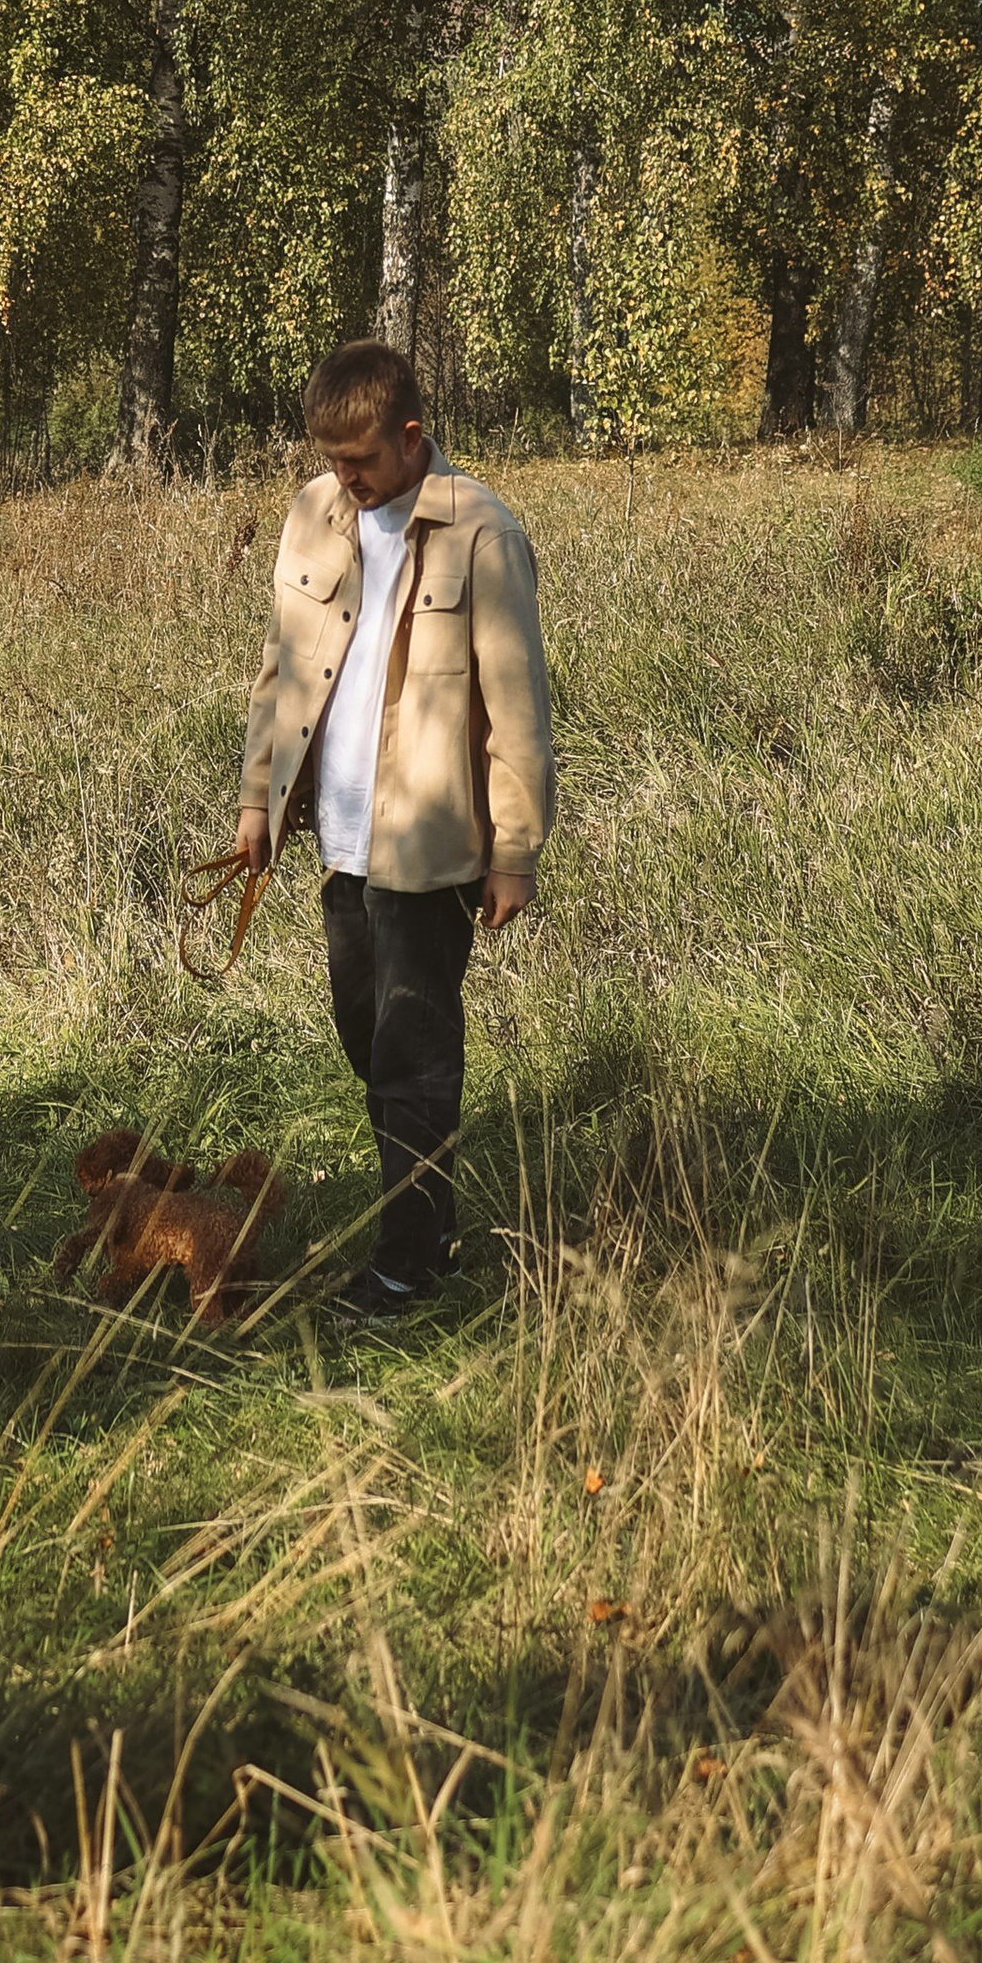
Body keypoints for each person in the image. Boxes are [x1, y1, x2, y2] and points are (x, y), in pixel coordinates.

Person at [235, 341, 555, 1320]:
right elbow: (281, 665)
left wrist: (514, 851)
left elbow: (517, 708)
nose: (344, 479)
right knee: (366, 1041)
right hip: (335, 836)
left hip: (429, 846)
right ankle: (430, 1223)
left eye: (361, 461)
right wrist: (257, 799)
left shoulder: (482, 533)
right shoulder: (311, 516)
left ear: (411, 438)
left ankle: (405, 1266)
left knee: (413, 1050)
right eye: (329, 459)